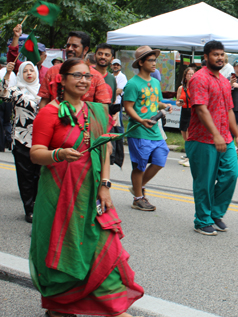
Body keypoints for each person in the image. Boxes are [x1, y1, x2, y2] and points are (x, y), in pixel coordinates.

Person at [29, 58, 143, 317]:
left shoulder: (96, 111)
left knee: (102, 247)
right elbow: (36, 154)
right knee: (62, 247)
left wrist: (105, 186)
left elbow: (105, 148)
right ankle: (61, 305)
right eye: (77, 75)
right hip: (58, 193)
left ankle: (114, 307)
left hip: (92, 192)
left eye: (87, 76)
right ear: (63, 79)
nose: (83, 80)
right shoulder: (50, 112)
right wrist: (57, 154)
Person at [186, 40, 238, 236]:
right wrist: (216, 135)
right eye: (215, 54)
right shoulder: (199, 79)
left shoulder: (224, 81)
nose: (219, 58)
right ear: (206, 57)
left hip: (224, 138)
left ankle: (215, 213)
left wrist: (237, 134)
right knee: (205, 182)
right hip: (202, 139)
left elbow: (228, 110)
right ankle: (202, 220)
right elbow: (201, 110)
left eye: (222, 54)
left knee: (231, 174)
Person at [123, 46, 171, 212]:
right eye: (150, 60)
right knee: (139, 166)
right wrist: (140, 120)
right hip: (138, 130)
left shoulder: (155, 82)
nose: (154, 63)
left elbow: (153, 101)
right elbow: (127, 106)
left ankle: (138, 186)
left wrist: (163, 105)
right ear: (141, 63)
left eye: (154, 60)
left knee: (160, 159)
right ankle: (138, 198)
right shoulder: (132, 84)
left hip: (154, 130)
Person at [1, 61, 41, 223]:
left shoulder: (43, 91)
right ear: (20, 74)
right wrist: (8, 74)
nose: (29, 73)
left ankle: (39, 206)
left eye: (32, 70)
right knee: (25, 177)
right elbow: (3, 94)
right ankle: (29, 209)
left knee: (39, 175)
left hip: (41, 140)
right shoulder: (15, 90)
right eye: (25, 71)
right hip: (21, 139)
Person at [38, 31, 111, 108]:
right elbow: (44, 101)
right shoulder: (53, 71)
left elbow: (103, 107)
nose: (69, 49)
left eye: (74, 46)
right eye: (68, 45)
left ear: (85, 50)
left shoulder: (96, 76)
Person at [177, 67, 196, 167]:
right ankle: (189, 154)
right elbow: (177, 101)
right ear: (185, 75)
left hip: (192, 112)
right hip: (184, 111)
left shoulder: (196, 87)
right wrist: (179, 103)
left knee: (189, 136)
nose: (190, 76)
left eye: (192, 74)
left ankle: (190, 157)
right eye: (189, 74)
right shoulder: (181, 88)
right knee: (184, 134)